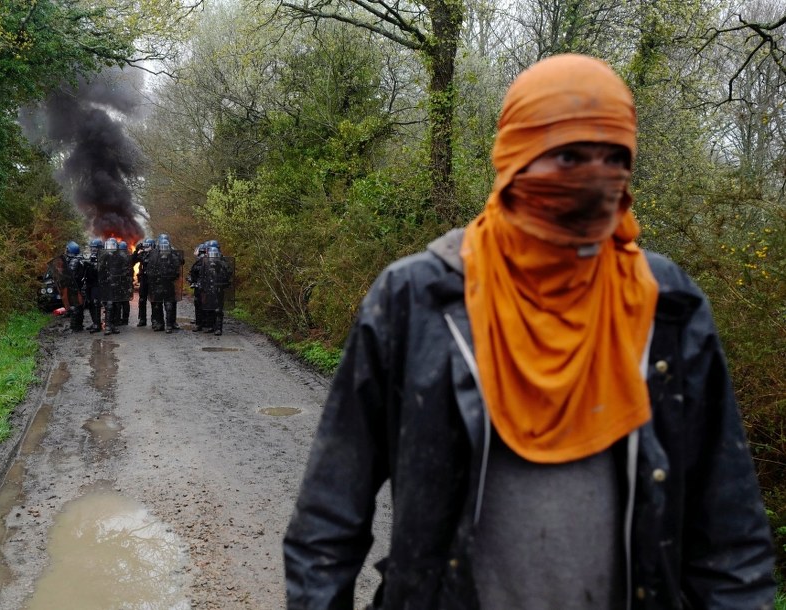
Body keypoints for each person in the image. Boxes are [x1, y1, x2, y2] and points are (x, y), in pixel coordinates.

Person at [283, 54, 776, 609]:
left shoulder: (666, 305)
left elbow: (729, 543)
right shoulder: (416, 299)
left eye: (614, 158)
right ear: (515, 157)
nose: (596, 180)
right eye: (568, 156)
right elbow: (328, 519)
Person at [145, 237, 181, 333]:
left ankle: (161, 324)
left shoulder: (155, 256)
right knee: (167, 304)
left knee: (159, 304)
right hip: (167, 284)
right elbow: (177, 270)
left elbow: (149, 270)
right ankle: (168, 325)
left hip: (159, 284)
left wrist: (154, 278)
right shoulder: (172, 256)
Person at [197, 245, 232, 335]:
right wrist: (201, 284)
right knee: (209, 307)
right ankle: (210, 326)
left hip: (218, 288)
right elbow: (202, 275)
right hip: (208, 288)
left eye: (214, 255)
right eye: (211, 255)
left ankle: (218, 328)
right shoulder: (205, 263)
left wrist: (222, 281)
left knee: (218, 310)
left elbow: (228, 274)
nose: (213, 257)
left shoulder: (223, 263)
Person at [132, 237, 155, 326]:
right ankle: (142, 319)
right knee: (142, 300)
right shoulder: (143, 254)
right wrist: (136, 251)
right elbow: (132, 261)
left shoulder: (156, 255)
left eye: (148, 246)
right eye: (145, 246)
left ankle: (155, 319)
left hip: (153, 280)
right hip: (144, 279)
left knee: (154, 300)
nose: (146, 247)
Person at [83, 238, 103, 333]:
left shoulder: (103, 257)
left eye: (95, 248)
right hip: (89, 283)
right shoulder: (90, 257)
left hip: (97, 283)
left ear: (99, 248)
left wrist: (93, 265)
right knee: (89, 303)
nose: (93, 249)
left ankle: (97, 324)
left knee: (96, 303)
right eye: (92, 248)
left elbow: (102, 269)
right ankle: (94, 322)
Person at [189, 243, 207, 331]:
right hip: (203, 286)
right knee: (202, 304)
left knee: (200, 305)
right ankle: (203, 323)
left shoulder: (201, 261)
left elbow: (196, 272)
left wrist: (193, 280)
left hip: (201, 287)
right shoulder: (203, 260)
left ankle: (200, 324)